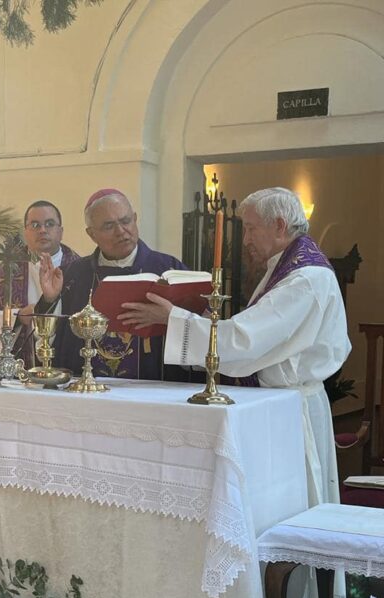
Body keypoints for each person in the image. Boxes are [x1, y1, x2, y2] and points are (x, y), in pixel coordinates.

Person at [119, 187, 351, 507]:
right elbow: (260, 334)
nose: (245, 240)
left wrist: (174, 318)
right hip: (277, 401)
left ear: (279, 226)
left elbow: (246, 340)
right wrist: (197, 320)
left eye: (251, 229)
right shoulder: (288, 268)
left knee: (291, 503)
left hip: (290, 409)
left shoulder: (305, 279)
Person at [37, 188, 190, 380]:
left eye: (125, 221)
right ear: (92, 234)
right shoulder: (74, 274)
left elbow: (199, 333)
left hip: (152, 388)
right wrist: (50, 300)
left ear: (135, 219)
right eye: (109, 226)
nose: (121, 231)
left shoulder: (169, 271)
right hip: (87, 388)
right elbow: (49, 343)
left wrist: (171, 317)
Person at [0, 200, 79, 361]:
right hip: (20, 369)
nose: (43, 230)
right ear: (26, 232)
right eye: (35, 225)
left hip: (68, 365)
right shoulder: (7, 270)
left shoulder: (78, 269)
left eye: (50, 224)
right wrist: (17, 317)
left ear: (61, 231)